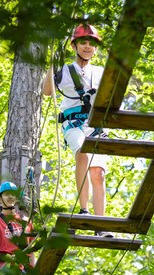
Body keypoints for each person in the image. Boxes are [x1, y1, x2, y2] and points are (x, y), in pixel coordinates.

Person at [43, 24, 113, 237]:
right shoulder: (64, 70)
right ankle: (84, 209)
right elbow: (47, 92)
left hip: (94, 125)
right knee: (82, 152)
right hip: (73, 123)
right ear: (74, 45)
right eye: (83, 42)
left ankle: (100, 225)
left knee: (98, 173)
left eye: (92, 44)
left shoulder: (100, 73)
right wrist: (52, 66)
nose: (87, 47)